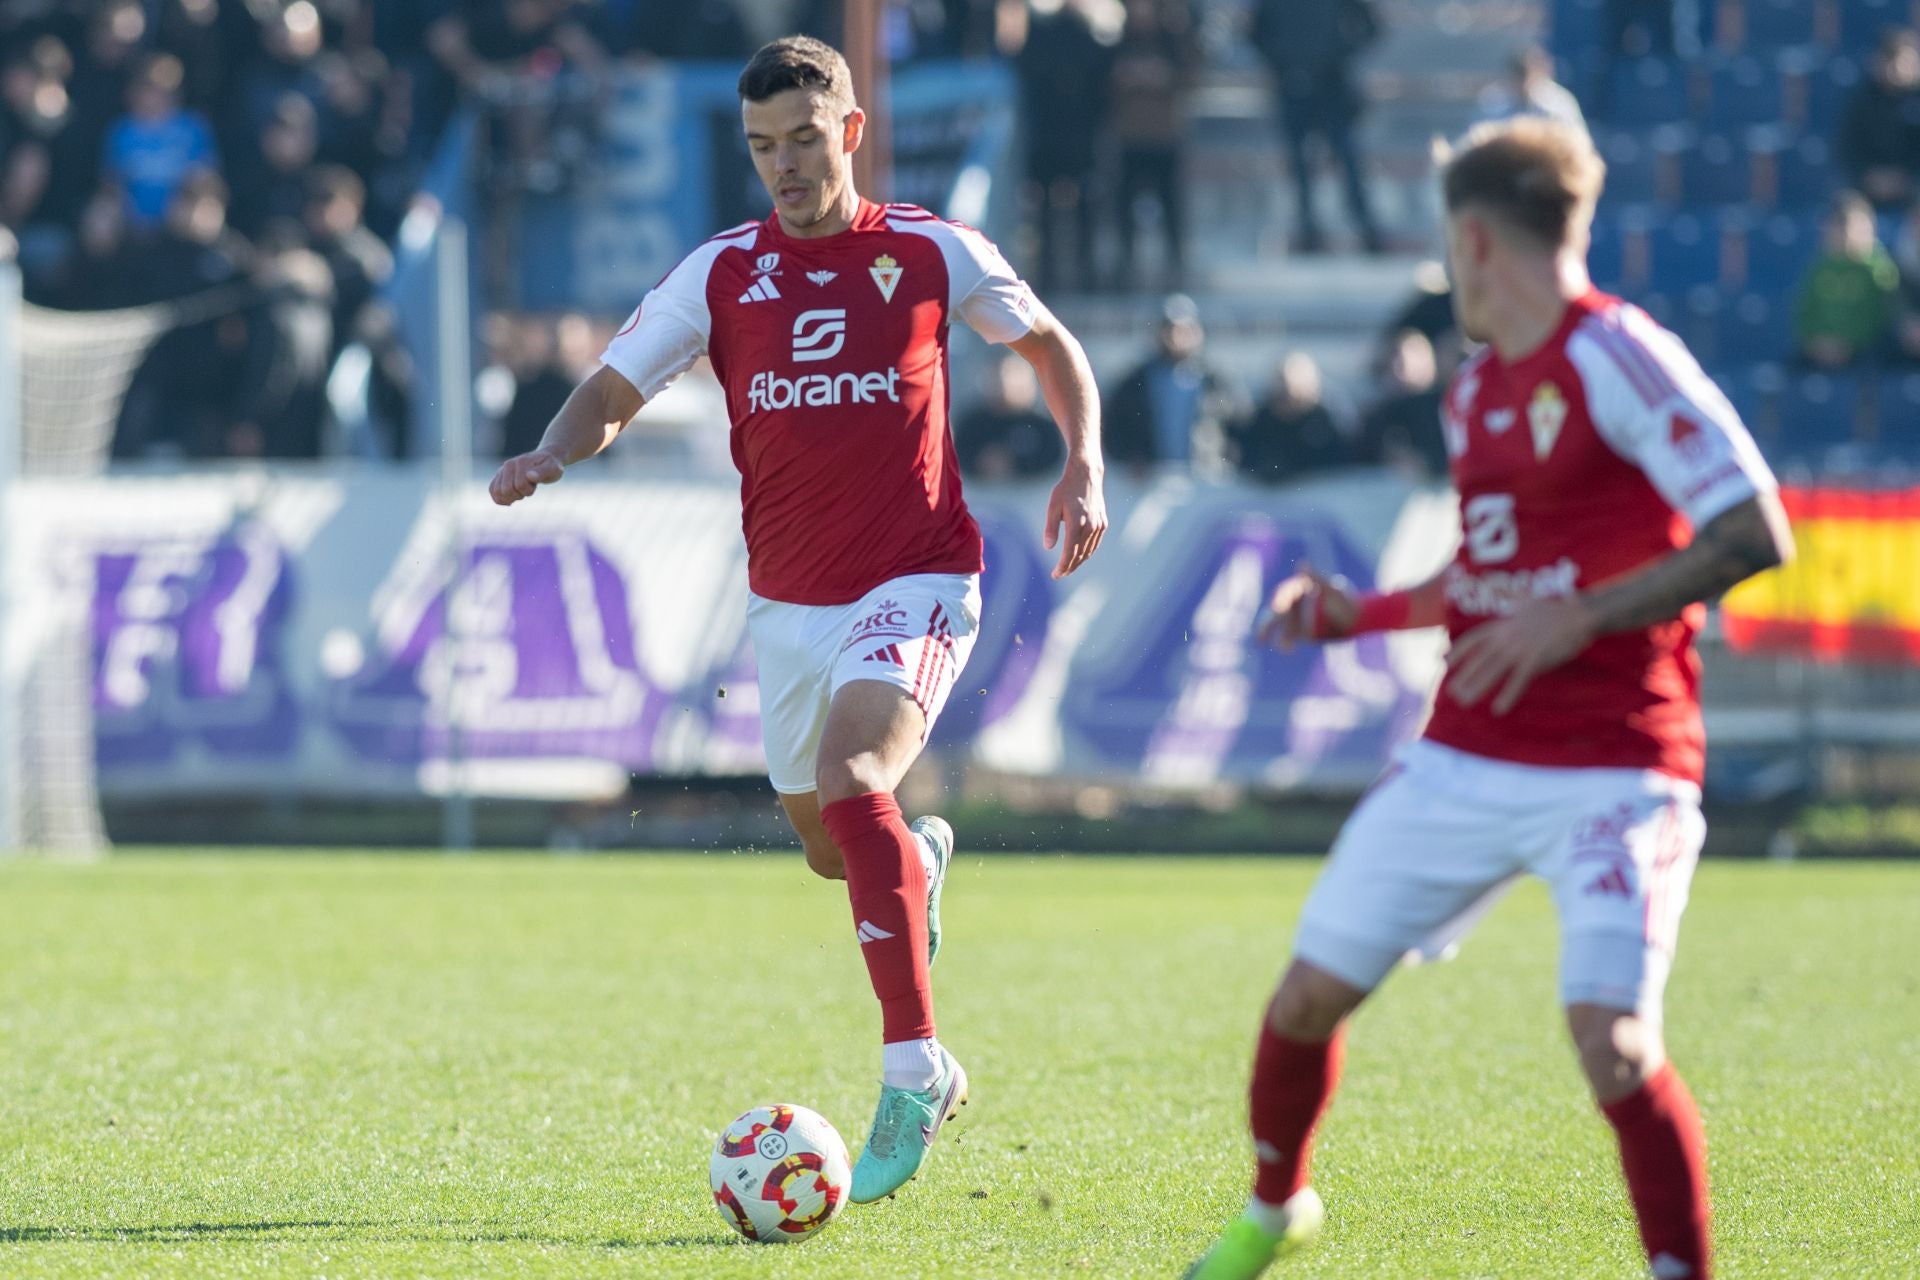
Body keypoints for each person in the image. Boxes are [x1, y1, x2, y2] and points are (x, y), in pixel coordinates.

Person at [488, 35, 1107, 1204]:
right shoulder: (720, 273)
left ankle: (916, 1066)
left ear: (851, 132)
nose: (782, 164)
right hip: (790, 606)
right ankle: (914, 866)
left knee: (857, 771)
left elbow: (1049, 344)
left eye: (802, 140)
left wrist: (1087, 462)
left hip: (920, 578)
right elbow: (617, 387)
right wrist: (553, 451)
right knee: (835, 846)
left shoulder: (928, 249)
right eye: (761, 146)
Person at [1185, 116, 1792, 1280]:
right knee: (1305, 995)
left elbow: (1755, 529)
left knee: (1612, 1043)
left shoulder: (1618, 355)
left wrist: (1583, 616)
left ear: (1471, 241)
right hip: (1468, 752)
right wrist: (1353, 613)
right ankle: (1276, 1207)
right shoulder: (1477, 394)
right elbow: (1492, 574)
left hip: (1620, 760)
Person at [1248, 0, 1384, 254]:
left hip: (1333, 86)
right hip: (1293, 88)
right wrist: (1284, 61)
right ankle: (1308, 231)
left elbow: (1371, 28)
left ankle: (1365, 228)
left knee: (1347, 158)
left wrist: (1338, 54)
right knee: (1299, 164)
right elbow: (1255, 35)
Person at [1106, 293, 1244, 475]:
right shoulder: (1134, 382)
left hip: (1204, 486)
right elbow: (1112, 427)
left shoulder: (1215, 382)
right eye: (1169, 329)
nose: (1176, 337)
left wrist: (1222, 459)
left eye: (1185, 330)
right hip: (1150, 485)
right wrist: (1131, 457)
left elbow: (1240, 425)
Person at [1792, 190, 1900, 369]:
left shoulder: (1878, 270)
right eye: (1837, 226)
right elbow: (1805, 311)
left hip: (1861, 351)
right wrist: (1815, 342)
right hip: (1820, 350)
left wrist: (1847, 343)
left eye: (1848, 227)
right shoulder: (1818, 268)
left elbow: (1879, 317)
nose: (1843, 235)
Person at [1233, 352, 1349, 484]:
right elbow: (1245, 461)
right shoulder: (1259, 423)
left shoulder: (1323, 426)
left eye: (1294, 391)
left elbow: (1337, 468)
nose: (1287, 397)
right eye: (1281, 391)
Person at [1839, 28, 1920, 213]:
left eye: (1904, 61)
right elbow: (1847, 148)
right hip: (1867, 191)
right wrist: (1869, 177)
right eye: (1890, 59)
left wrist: (1908, 178)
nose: (1896, 69)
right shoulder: (1861, 101)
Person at [955, 350, 1067, 479]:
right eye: (995, 375)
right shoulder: (972, 424)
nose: (1002, 382)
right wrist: (981, 464)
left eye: (1010, 375)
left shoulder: (1045, 424)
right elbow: (959, 460)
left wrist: (1016, 464)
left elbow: (1053, 463)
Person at [1356, 327, 1448, 479]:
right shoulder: (1379, 415)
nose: (1399, 366)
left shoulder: (1444, 408)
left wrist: (1426, 464)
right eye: (1395, 358)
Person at [1475, 45, 1587, 138]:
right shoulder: (1493, 103)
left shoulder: (1559, 104)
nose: (1524, 83)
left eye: (1527, 76)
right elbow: (1479, 140)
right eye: (1517, 76)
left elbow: (1577, 142)